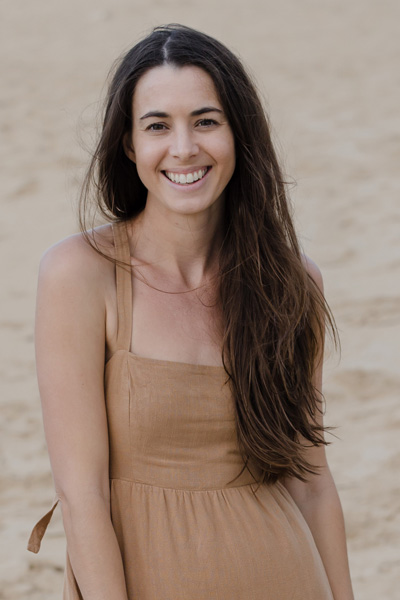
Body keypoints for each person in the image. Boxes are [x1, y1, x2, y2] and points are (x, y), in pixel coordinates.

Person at [27, 23, 354, 600]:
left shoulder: (291, 282)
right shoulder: (80, 274)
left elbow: (312, 484)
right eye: (158, 126)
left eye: (206, 121)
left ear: (238, 134)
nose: (183, 148)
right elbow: (83, 499)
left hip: (286, 576)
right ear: (129, 144)